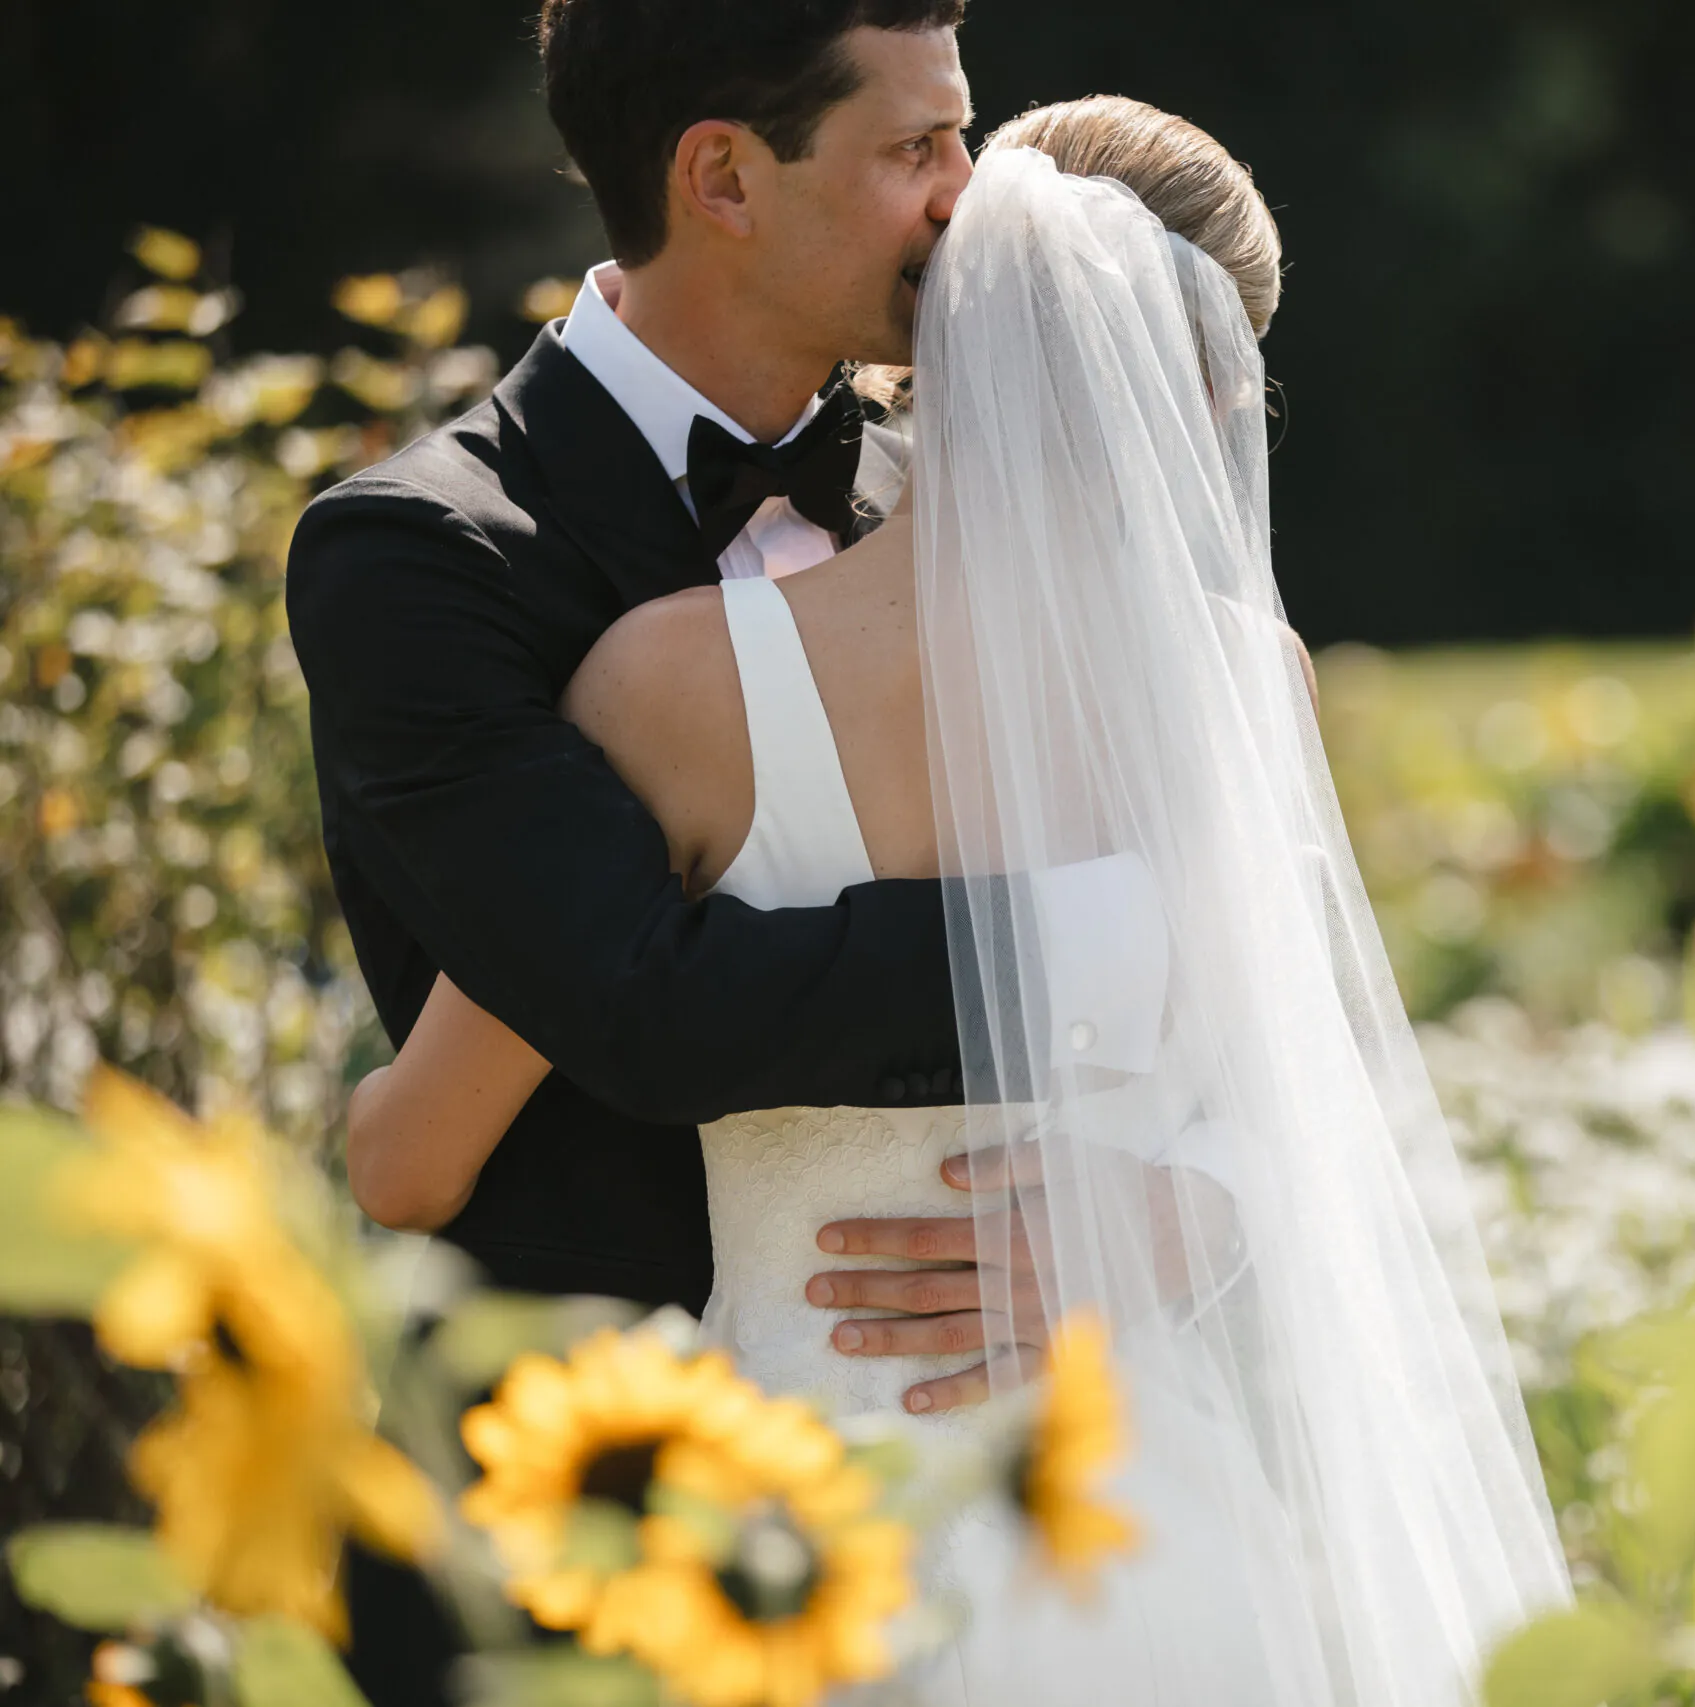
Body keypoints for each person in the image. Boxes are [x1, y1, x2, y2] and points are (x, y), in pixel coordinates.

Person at [328, 73, 1569, 1707]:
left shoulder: (666, 692)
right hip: (1140, 1515)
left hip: (799, 1538)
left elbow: (420, 1150)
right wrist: (1167, 1204)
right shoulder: (1242, 684)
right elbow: (1296, 1086)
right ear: (1199, 407)